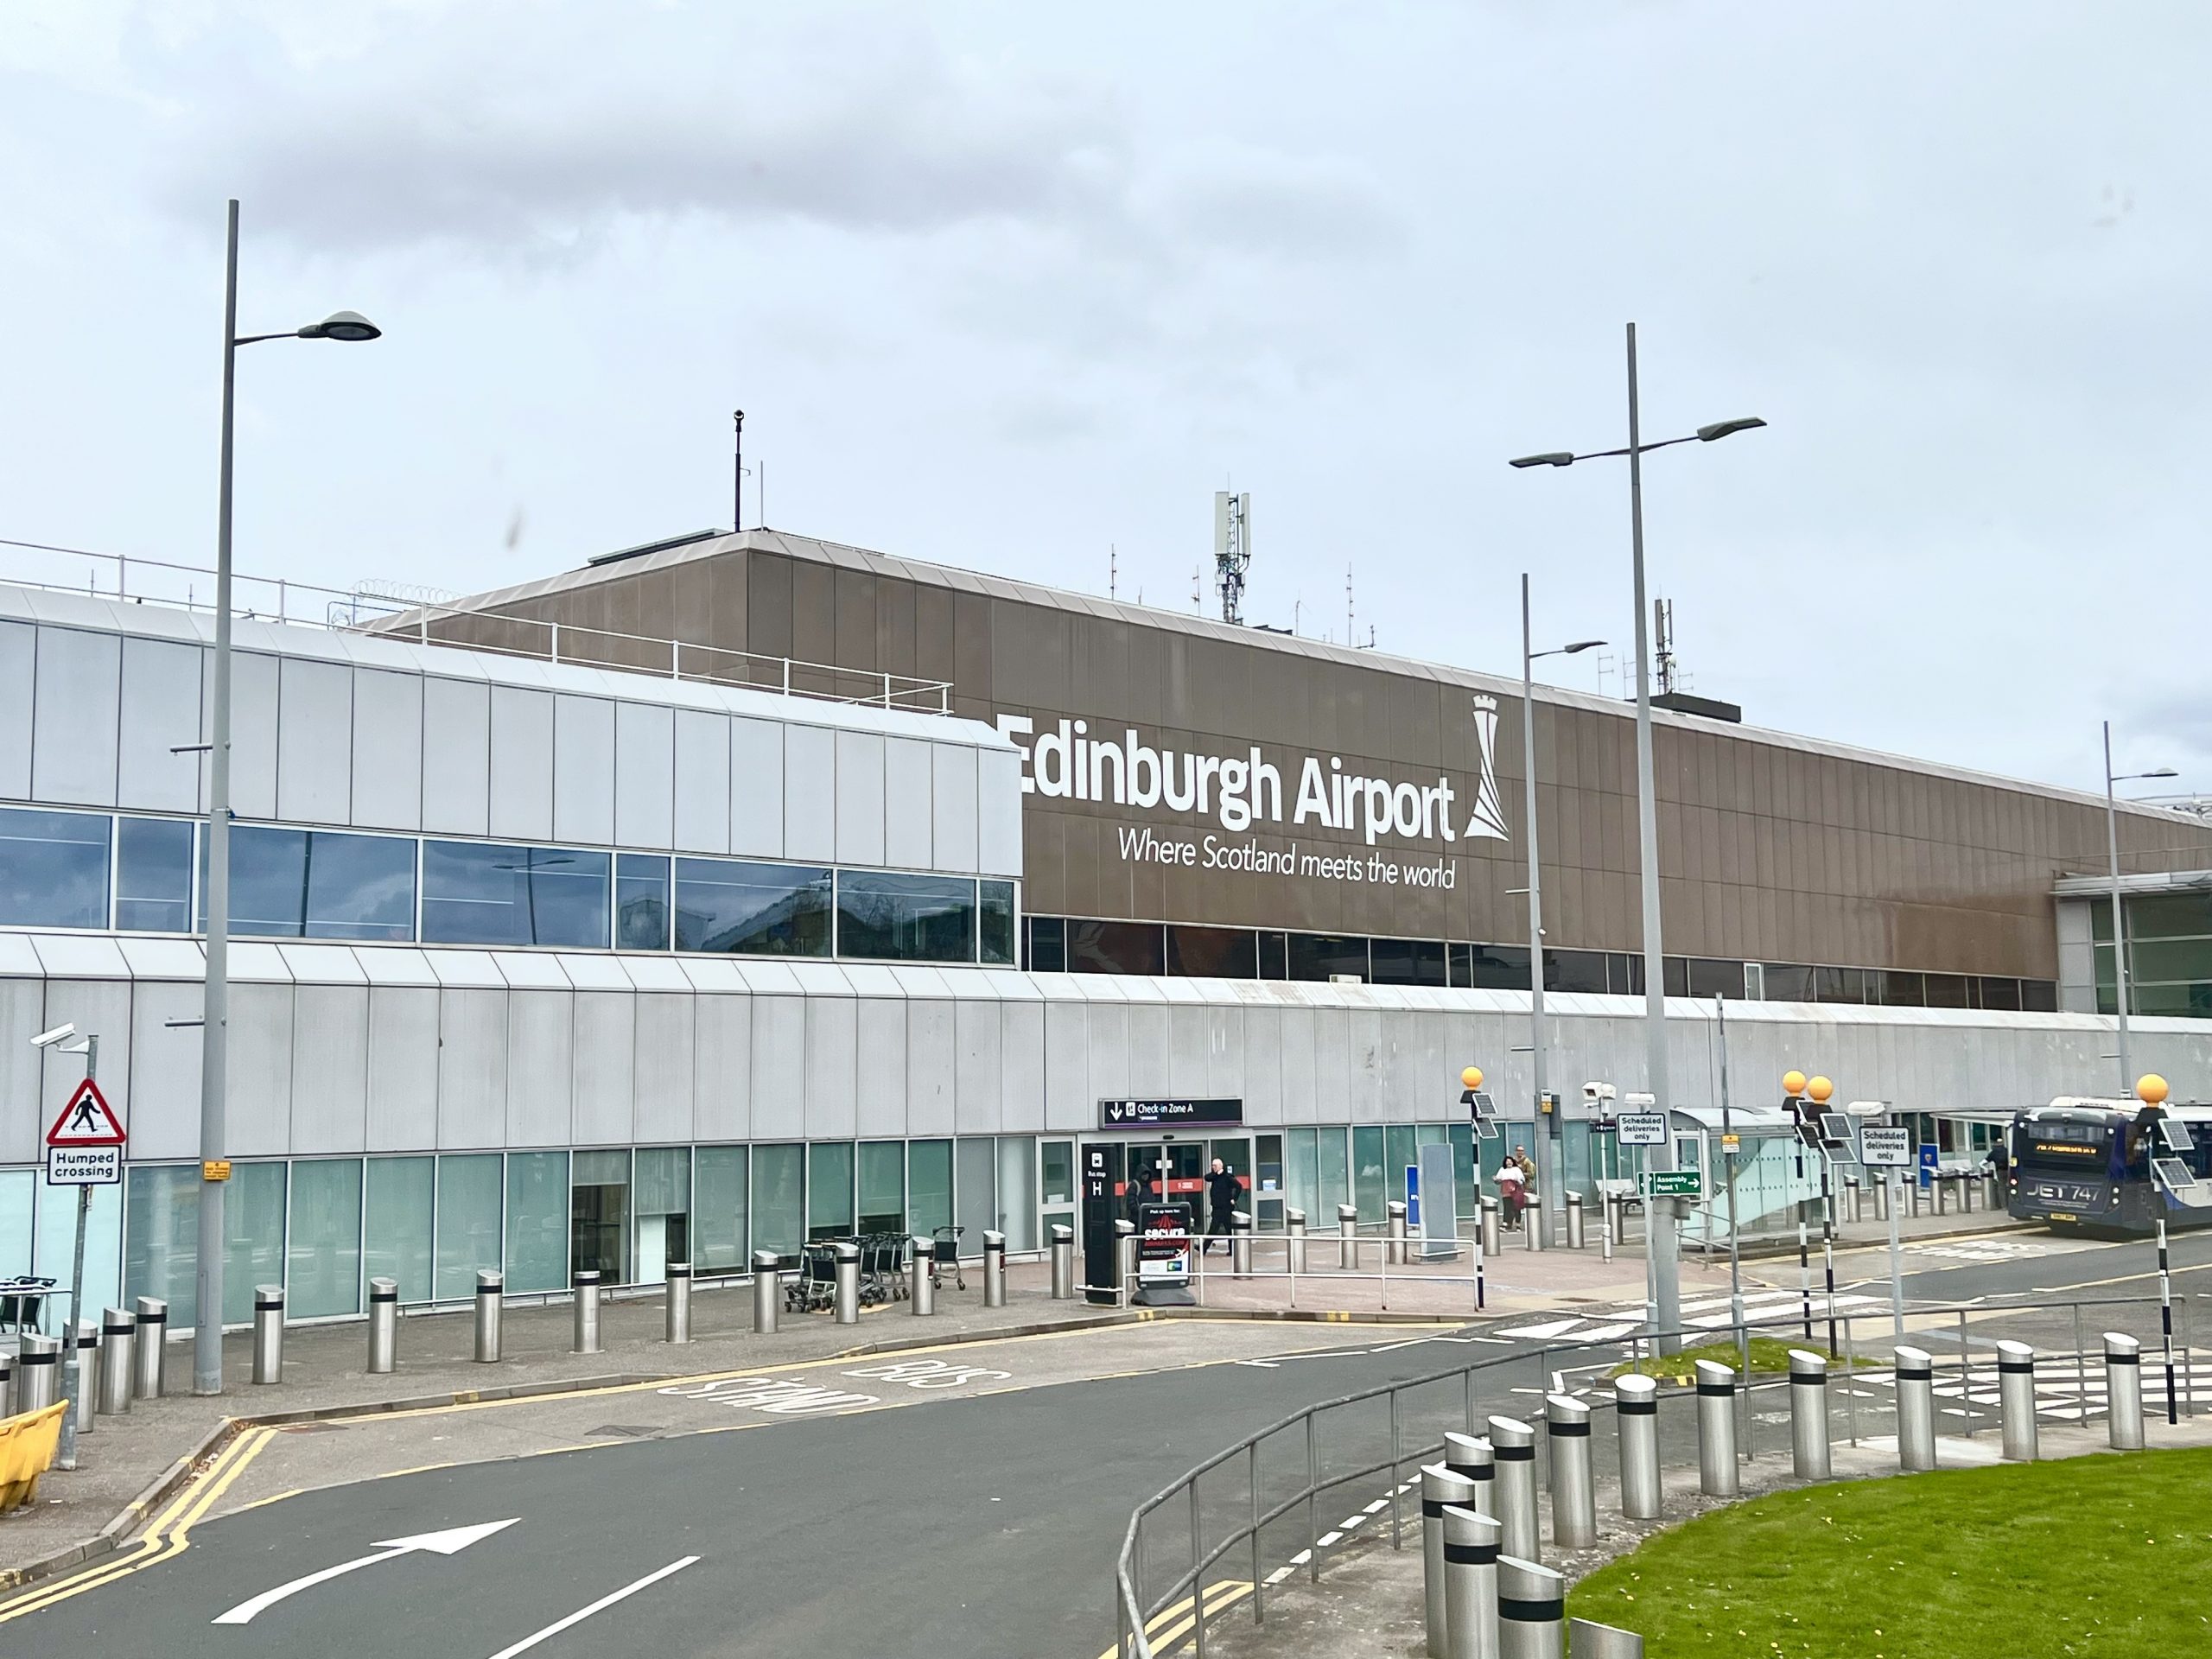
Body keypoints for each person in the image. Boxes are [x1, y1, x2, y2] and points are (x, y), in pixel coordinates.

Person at [1204, 1157, 1240, 1254]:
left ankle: (1231, 1250)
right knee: (1214, 1229)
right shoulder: (1215, 1176)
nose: (1213, 1167)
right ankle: (1203, 1248)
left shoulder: (1227, 1177)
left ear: (1220, 1166)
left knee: (1227, 1230)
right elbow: (1207, 1177)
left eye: (1215, 1166)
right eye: (1212, 1165)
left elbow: (1238, 1186)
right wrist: (1216, 1174)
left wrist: (1234, 1198)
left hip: (1226, 1208)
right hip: (1217, 1207)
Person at [1494, 1159, 1526, 1230]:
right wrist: (1496, 1180)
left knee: (1516, 1208)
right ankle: (1506, 1224)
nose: (1509, 1163)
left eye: (1510, 1161)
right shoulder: (1502, 1169)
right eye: (1507, 1161)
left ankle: (1518, 1224)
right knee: (1507, 1207)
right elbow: (1498, 1180)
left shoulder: (1516, 1169)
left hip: (1515, 1191)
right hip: (1506, 1190)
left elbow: (1522, 1180)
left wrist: (1518, 1182)